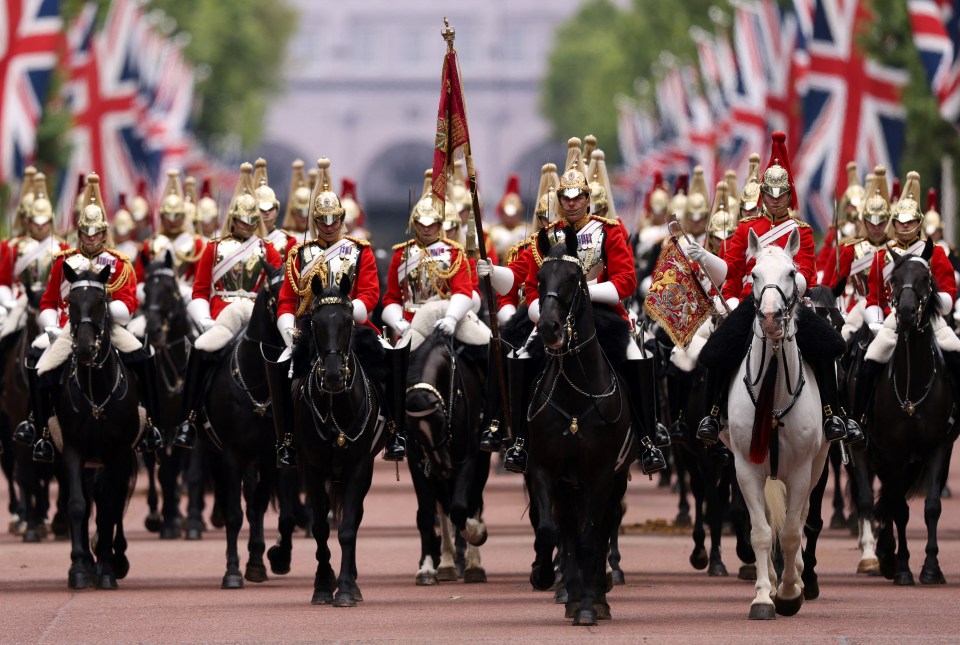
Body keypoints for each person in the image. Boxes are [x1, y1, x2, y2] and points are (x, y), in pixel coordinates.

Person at [688, 131, 864, 447]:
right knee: (719, 346)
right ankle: (713, 414)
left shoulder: (802, 231)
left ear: (788, 195)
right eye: (769, 194)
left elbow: (807, 272)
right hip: (749, 302)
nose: (774, 200)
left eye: (780, 194)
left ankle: (832, 411)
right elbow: (732, 271)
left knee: (825, 344)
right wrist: (727, 299)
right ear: (762, 195)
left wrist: (787, 292)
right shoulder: (745, 229)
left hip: (790, 304)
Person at [512, 152, 665, 475]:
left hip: (601, 314)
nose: (571, 204)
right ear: (558, 201)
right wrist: (541, 308)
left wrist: (585, 293)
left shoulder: (608, 231)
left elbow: (625, 281)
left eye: (577, 197)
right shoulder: (545, 235)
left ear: (587, 198)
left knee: (637, 357)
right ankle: (518, 440)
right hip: (554, 312)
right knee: (523, 358)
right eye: (565, 199)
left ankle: (648, 436)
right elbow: (530, 284)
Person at [24, 173, 162, 460]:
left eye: (95, 233)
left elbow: (130, 300)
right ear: (79, 232)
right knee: (38, 363)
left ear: (104, 232)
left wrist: (103, 312)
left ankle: (151, 425)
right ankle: (40, 431)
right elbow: (49, 300)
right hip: (68, 327)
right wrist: (50, 324)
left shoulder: (120, 263)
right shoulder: (63, 261)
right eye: (85, 233)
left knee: (144, 355)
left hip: (108, 325)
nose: (90, 239)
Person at [270, 158, 384, 467]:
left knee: (390, 357)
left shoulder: (360, 250)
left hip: (351, 325)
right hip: (311, 330)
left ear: (343, 217)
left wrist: (351, 312)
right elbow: (286, 299)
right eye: (323, 219)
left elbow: (370, 292)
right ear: (314, 220)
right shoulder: (300, 253)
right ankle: (287, 439)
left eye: (335, 218)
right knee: (281, 369)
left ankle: (394, 428)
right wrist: (288, 330)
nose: (330, 224)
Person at [173, 162, 283, 449]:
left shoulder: (268, 249)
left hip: (258, 318)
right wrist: (204, 320)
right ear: (232, 220)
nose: (246, 226)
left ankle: (289, 426)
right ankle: (189, 418)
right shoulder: (214, 247)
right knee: (200, 350)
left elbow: (278, 288)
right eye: (241, 220)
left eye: (251, 221)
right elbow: (199, 290)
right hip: (223, 318)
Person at [852, 171, 960, 424]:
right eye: (899, 221)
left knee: (955, 352)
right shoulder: (883, 256)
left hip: (930, 317)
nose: (904, 226)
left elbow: (948, 292)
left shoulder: (934, 253)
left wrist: (937, 304)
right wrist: (877, 321)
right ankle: (859, 418)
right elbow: (874, 297)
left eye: (910, 222)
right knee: (869, 360)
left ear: (919, 223)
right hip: (894, 318)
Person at [820, 166, 892, 318]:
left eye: (881, 223)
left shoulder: (896, 248)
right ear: (865, 222)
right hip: (857, 308)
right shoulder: (849, 249)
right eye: (872, 223)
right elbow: (834, 286)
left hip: (893, 309)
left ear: (887, 222)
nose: (876, 228)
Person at [134, 169, 206, 297]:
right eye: (168, 217)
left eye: (176, 217)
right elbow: (139, 277)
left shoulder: (197, 243)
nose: (172, 222)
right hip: (156, 296)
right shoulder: (149, 244)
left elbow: (201, 278)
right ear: (162, 217)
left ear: (183, 217)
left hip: (186, 295)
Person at [254, 158, 297, 259]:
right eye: (262, 210)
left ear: (277, 210)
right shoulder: (245, 241)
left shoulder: (287, 241)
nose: (267, 213)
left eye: (271, 209)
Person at [487, 174, 528, 259]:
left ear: (519, 214)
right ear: (502, 213)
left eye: (514, 214)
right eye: (507, 214)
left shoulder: (527, 231)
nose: (510, 218)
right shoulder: (493, 231)